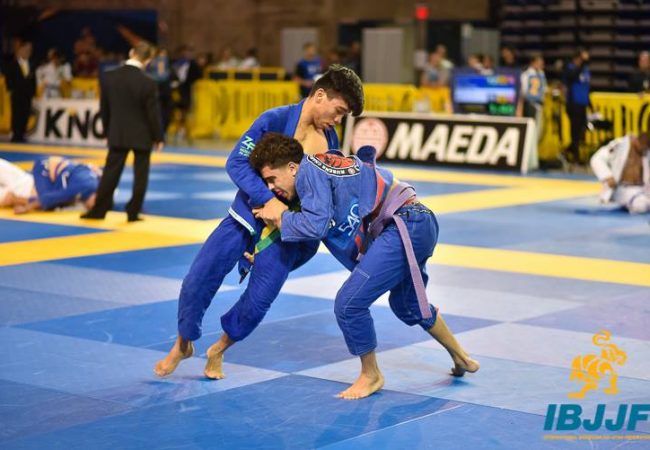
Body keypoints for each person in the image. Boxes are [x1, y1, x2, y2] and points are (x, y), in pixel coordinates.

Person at [153, 65, 364, 379]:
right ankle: (183, 343)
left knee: (258, 301)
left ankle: (219, 349)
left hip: (285, 234)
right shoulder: (275, 119)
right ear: (320, 95)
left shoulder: (330, 144)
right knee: (198, 278)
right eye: (339, 111)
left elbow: (324, 200)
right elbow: (236, 162)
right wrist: (268, 200)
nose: (338, 120)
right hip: (247, 216)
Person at [251, 133, 479, 400]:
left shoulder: (308, 171)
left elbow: (316, 226)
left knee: (348, 304)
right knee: (407, 305)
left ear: (292, 167)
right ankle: (462, 357)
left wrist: (280, 217)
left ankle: (371, 375)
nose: (271, 188)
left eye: (272, 179)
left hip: (404, 223)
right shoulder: (321, 171)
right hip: (417, 221)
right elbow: (313, 236)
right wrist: (264, 255)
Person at [81, 41, 163, 222]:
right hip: (142, 134)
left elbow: (104, 108)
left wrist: (107, 131)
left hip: (117, 132)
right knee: (141, 175)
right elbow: (152, 114)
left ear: (131, 52)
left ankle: (98, 210)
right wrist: (158, 137)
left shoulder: (109, 77)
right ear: (148, 60)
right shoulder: (148, 82)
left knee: (111, 172)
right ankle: (133, 212)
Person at [12, 156, 100, 214]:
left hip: (59, 168)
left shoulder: (96, 184)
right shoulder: (80, 188)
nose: (90, 207)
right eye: (93, 206)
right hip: (45, 167)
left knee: (67, 202)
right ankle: (14, 198)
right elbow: (47, 199)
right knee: (51, 203)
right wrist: (27, 208)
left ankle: (20, 195)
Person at [590, 133, 649, 214]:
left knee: (643, 201)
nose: (644, 151)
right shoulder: (619, 145)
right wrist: (607, 176)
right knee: (641, 205)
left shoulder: (646, 152)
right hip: (622, 188)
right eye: (642, 147)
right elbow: (597, 158)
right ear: (637, 141)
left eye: (646, 149)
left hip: (642, 189)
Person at [4, 40, 36, 143]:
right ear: (20, 50)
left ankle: (22, 134)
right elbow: (8, 77)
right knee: (16, 114)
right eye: (26, 50)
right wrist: (11, 89)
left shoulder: (31, 64)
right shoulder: (13, 64)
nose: (28, 52)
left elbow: (33, 80)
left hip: (27, 95)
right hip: (17, 93)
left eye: (29, 50)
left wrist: (33, 93)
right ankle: (16, 134)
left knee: (25, 114)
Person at [563, 49, 591, 164]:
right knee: (575, 131)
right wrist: (583, 62)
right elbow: (572, 76)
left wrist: (589, 103)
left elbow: (586, 86)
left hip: (583, 103)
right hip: (573, 103)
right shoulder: (570, 68)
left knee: (582, 130)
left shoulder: (585, 69)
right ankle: (575, 155)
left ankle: (568, 150)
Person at [518, 54, 547, 141]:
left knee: (538, 130)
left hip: (539, 104)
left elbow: (544, 88)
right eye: (539, 63)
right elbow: (523, 91)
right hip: (530, 104)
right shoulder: (526, 74)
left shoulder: (541, 74)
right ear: (533, 63)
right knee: (530, 129)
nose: (541, 65)